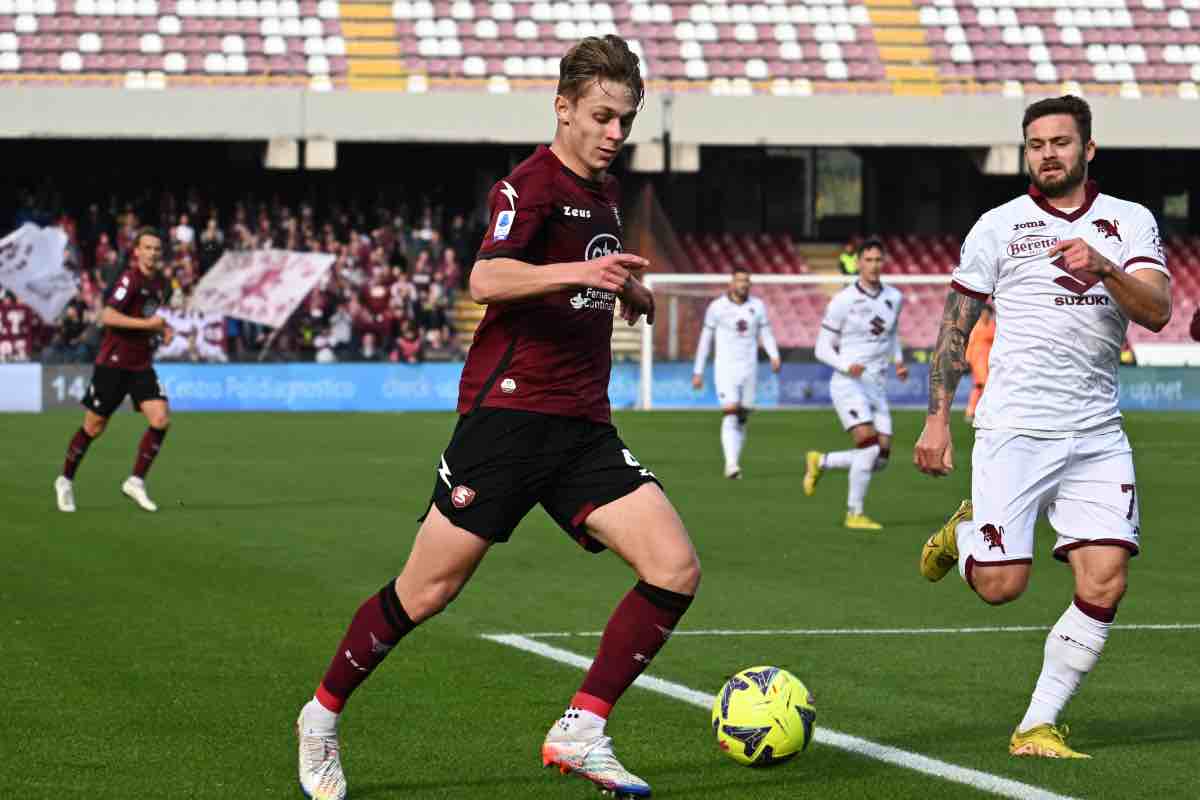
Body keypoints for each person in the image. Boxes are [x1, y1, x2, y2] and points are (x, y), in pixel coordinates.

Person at [295, 36, 699, 800]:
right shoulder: (529, 185)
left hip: (583, 427)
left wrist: (623, 292)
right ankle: (319, 718)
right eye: (603, 116)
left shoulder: (604, 196)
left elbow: (583, 279)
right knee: (426, 593)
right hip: (507, 421)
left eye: (627, 119)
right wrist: (584, 271)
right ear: (564, 108)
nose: (616, 133)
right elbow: (487, 275)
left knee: (674, 568)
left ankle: (581, 729)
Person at [914, 95, 1171, 759]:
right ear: (1026, 152)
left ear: (1088, 150)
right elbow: (954, 327)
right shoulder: (999, 226)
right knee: (1002, 587)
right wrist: (937, 420)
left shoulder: (1129, 222)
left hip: (1096, 434)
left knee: (1106, 579)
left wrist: (1106, 267)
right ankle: (965, 531)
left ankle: (1036, 726)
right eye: (1036, 144)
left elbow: (1158, 312)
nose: (1047, 154)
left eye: (1060, 142)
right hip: (1015, 430)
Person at [54, 228, 175, 514]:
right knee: (94, 427)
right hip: (113, 363)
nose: (153, 253)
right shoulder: (129, 279)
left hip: (141, 363)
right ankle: (65, 480)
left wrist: (164, 330)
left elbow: (146, 319)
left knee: (160, 418)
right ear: (137, 251)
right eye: (147, 248)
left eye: (157, 249)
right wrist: (150, 327)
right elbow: (107, 315)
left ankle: (135, 481)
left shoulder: (161, 283)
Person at [803, 237, 908, 530]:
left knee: (881, 458)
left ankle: (821, 461)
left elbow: (892, 334)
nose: (874, 266)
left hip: (877, 385)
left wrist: (898, 360)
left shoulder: (894, 297)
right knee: (870, 447)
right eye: (869, 260)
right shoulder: (843, 300)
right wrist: (846, 365)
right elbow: (821, 348)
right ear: (859, 262)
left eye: (878, 260)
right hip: (848, 383)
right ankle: (854, 513)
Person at [690, 268, 781, 479]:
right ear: (731, 284)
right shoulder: (717, 308)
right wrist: (698, 370)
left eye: (747, 281)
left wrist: (774, 355)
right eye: (739, 280)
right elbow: (706, 340)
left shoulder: (757, 307)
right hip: (725, 369)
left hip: (750, 368)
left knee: (742, 416)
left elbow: (765, 333)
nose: (743, 284)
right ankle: (731, 465)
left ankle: (734, 462)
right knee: (730, 412)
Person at [964, 304, 995, 424]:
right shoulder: (976, 326)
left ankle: (971, 411)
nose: (985, 315)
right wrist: (967, 360)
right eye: (983, 313)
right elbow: (970, 344)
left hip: (989, 359)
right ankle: (985, 411)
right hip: (977, 359)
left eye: (987, 313)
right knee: (985, 384)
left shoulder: (993, 326)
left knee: (978, 386)